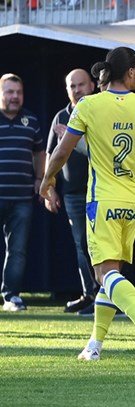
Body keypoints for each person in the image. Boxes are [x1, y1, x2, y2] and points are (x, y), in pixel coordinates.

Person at [40, 47, 135, 361]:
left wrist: (47, 179)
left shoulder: (88, 105)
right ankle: (94, 346)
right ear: (131, 71)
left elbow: (63, 151)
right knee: (112, 274)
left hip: (103, 199)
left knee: (103, 274)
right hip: (134, 201)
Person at [45, 68, 99, 314]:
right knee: (81, 246)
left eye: (81, 85)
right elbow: (50, 155)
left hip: (101, 191)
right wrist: (50, 188)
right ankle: (90, 294)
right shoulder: (60, 117)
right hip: (73, 193)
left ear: (93, 85)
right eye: (72, 86)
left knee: (101, 245)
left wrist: (71, 138)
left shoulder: (101, 111)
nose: (77, 90)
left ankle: (109, 297)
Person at [0, 73, 45, 312]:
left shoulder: (31, 120)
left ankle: (11, 296)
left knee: (17, 250)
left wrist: (40, 178)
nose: (15, 97)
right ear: (1, 93)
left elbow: (40, 153)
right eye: (10, 92)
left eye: (18, 92)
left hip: (21, 197)